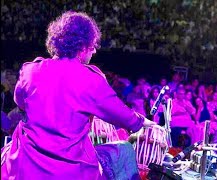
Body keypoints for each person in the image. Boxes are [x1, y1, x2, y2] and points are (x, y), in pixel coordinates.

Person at [1, 11, 156, 180]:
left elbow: (20, 103)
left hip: (25, 167)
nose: (95, 51)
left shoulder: (30, 70)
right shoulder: (92, 79)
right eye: (93, 46)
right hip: (69, 171)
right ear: (82, 47)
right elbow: (125, 117)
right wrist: (145, 122)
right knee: (124, 149)